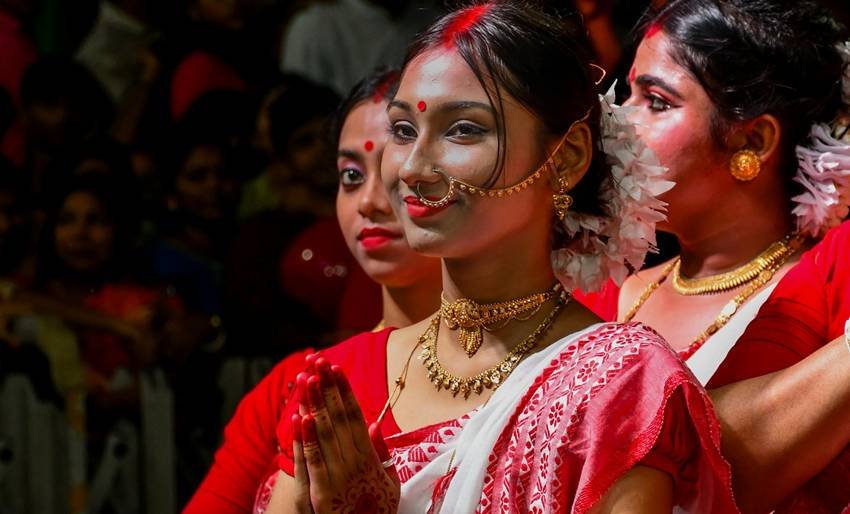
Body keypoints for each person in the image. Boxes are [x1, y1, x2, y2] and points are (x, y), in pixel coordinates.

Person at [256, 3, 736, 513]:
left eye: (463, 130)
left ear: (567, 158)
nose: (413, 168)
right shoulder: (342, 384)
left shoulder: (618, 386)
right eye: (403, 130)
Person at [618, 0, 850, 510]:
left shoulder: (828, 292)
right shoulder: (599, 289)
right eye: (625, 95)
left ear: (753, 139)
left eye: (655, 101)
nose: (617, 126)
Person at [184, 67, 443, 513]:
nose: (368, 201)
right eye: (350, 177)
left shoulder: (529, 365)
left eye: (395, 171)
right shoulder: (295, 385)